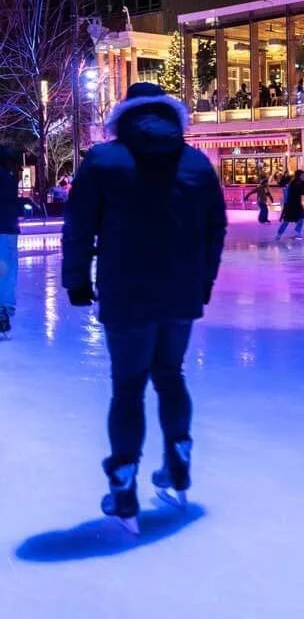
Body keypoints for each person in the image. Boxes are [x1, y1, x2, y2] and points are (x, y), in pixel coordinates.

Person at [62, 82, 228, 532]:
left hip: (127, 293)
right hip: (181, 293)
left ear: (125, 115)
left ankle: (123, 488)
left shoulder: (103, 159)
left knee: (128, 388)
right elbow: (216, 227)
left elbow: (79, 225)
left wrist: (76, 278)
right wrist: (204, 281)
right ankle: (177, 465)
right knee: (171, 376)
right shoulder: (196, 162)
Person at [0, 146, 20, 333]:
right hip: (8, 230)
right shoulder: (9, 177)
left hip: (6, 228)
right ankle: (4, 311)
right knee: (7, 272)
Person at [276, 170, 304, 240]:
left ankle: (281, 234)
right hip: (293, 204)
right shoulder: (297, 183)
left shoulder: (294, 182)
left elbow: (302, 192)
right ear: (299, 176)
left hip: (293, 204)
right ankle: (281, 233)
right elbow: (303, 192)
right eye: (303, 175)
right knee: (289, 219)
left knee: (297, 218)